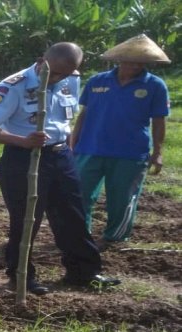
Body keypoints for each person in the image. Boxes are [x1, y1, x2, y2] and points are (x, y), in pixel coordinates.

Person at [0, 42, 120, 295]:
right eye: (53, 73)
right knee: (26, 219)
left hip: (61, 156)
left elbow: (66, 118)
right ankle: (21, 275)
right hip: (23, 158)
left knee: (73, 215)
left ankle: (83, 272)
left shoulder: (72, 79)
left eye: (64, 74)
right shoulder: (14, 85)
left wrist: (67, 147)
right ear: (42, 60)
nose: (57, 78)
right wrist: (24, 141)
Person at [70, 35, 171, 249]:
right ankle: (79, 235)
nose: (135, 65)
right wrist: (74, 139)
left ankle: (114, 238)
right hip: (89, 148)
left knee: (122, 199)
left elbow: (159, 121)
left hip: (131, 153)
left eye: (140, 62)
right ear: (119, 60)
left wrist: (158, 152)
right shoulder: (97, 81)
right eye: (130, 60)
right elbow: (84, 113)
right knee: (81, 194)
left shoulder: (155, 86)